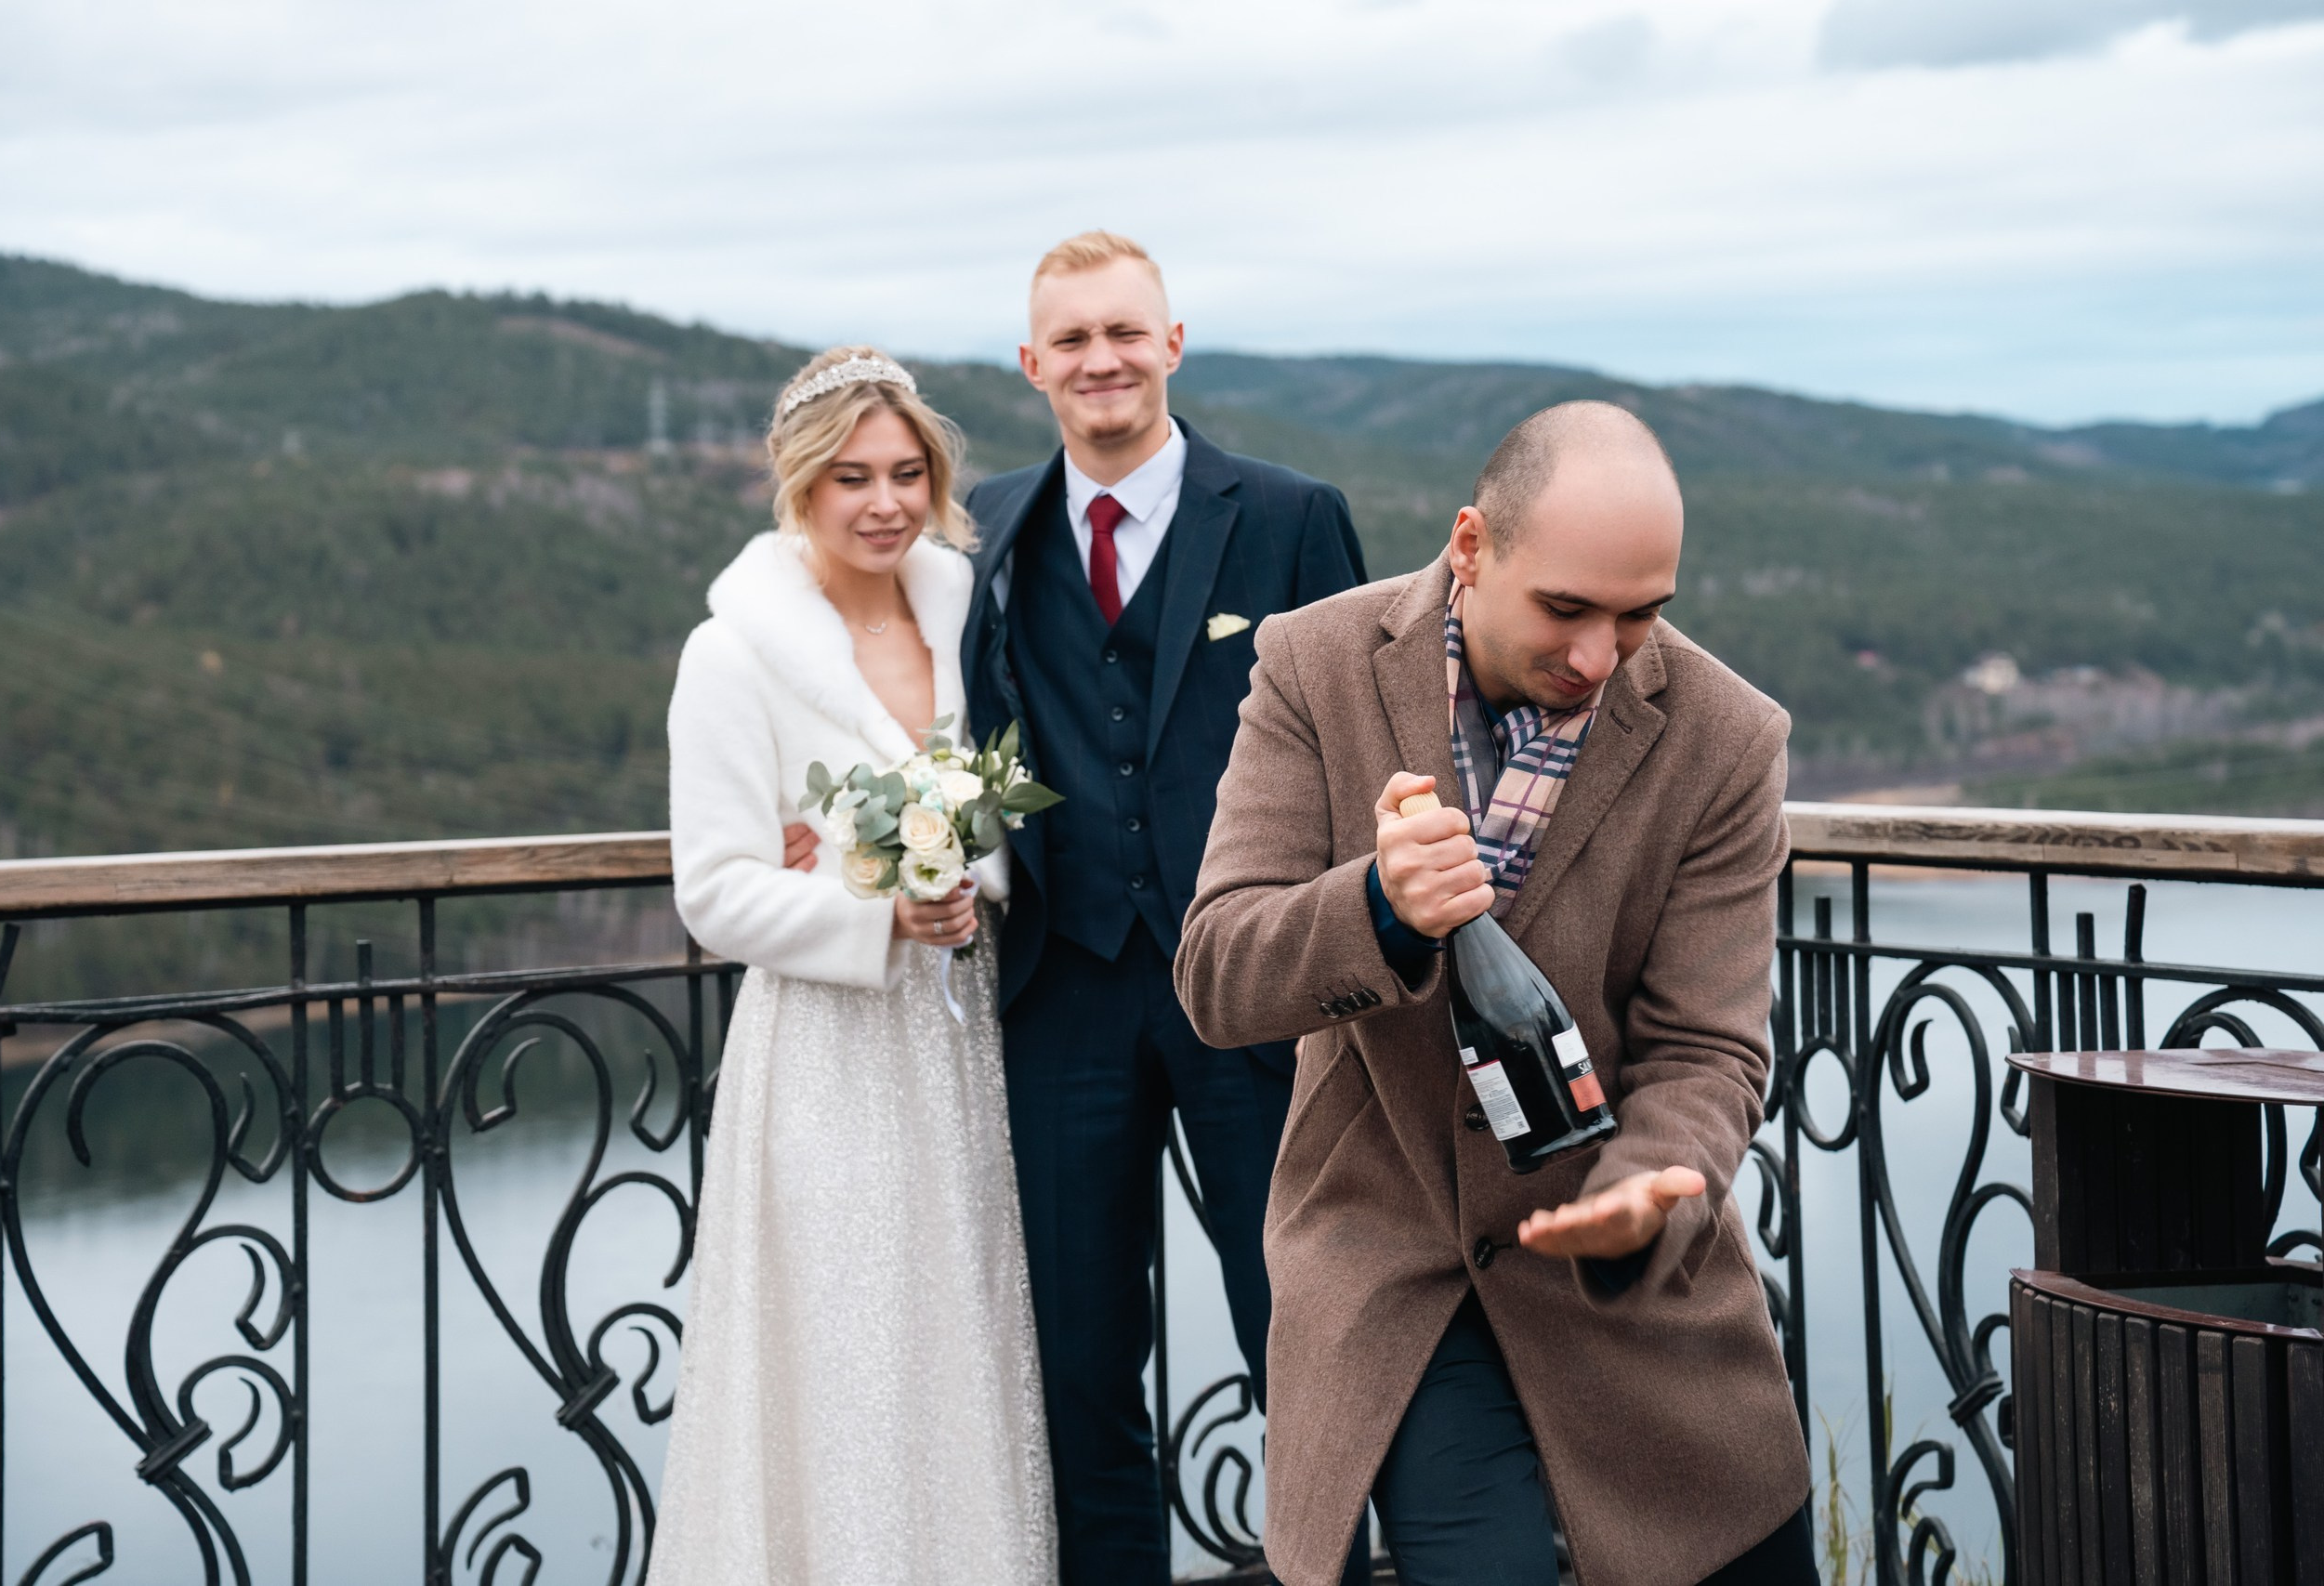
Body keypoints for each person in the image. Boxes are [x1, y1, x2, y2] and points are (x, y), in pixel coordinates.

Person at [1174, 401, 1819, 1586]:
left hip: (1624, 1274)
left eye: (1640, 615)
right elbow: (1218, 975)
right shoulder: (1313, 663)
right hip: (1398, 1265)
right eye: (1565, 609)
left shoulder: (1728, 737)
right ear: (1469, 546)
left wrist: (1644, 1195)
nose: (1599, 657)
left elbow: (1707, 1053)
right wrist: (1377, 908)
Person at [958, 231, 1367, 1585]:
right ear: (1033, 365)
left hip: (1253, 988)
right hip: (1062, 989)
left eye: (1125, 331)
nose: (1103, 359)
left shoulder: (1291, 515)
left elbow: (1364, 746)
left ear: (1172, 345)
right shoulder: (989, 527)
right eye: (1072, 339)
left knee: (1297, 1325)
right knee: (1077, 1355)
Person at [650, 347, 1055, 1585]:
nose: (885, 502)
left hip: (964, 1037)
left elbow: (1012, 802)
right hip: (829, 1054)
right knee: (843, 1349)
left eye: (907, 473)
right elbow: (713, 890)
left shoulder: (967, 616)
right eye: (851, 477)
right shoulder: (732, 655)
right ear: (800, 484)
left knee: (961, 1336)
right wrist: (874, 910)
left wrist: (966, 875)